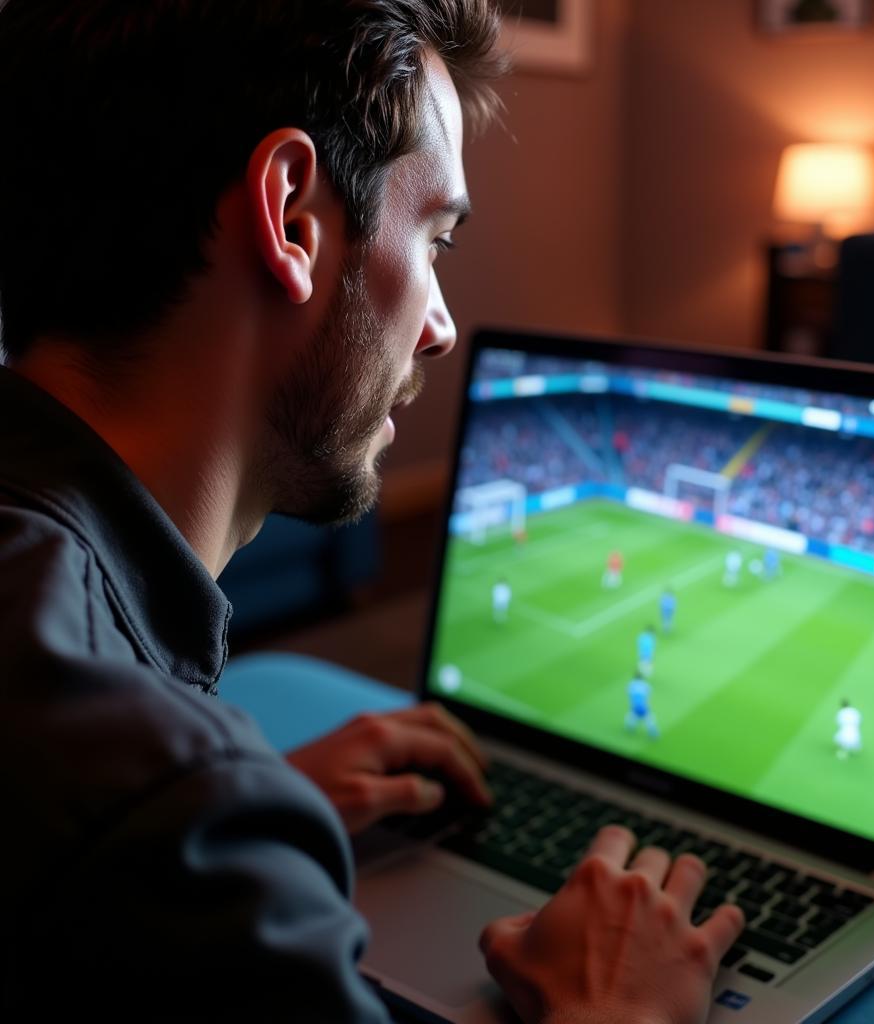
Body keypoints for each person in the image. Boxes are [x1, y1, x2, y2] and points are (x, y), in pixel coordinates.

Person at [0, 1, 742, 1021]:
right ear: (293, 215)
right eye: (435, 236)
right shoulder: (168, 815)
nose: (439, 326)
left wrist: (254, 807)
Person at [625, 669, 660, 738]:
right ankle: (654, 733)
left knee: (632, 717)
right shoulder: (645, 685)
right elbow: (648, 693)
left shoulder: (631, 684)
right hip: (643, 706)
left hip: (635, 706)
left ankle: (630, 727)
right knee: (649, 720)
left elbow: (628, 692)